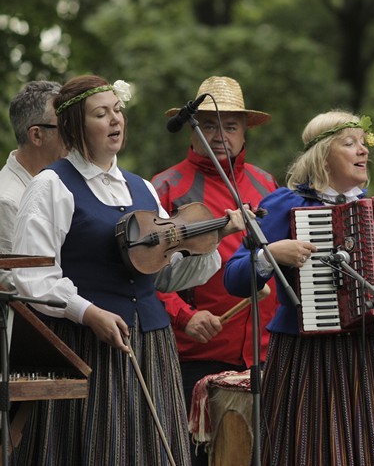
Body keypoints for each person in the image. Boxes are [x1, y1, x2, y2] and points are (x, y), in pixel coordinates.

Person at [10, 75, 245, 465]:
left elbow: (164, 276)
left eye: (118, 110)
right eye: (101, 113)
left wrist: (212, 238)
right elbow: (31, 275)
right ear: (74, 125)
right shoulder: (51, 186)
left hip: (151, 344)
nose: (115, 120)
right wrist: (87, 312)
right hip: (86, 345)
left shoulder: (141, 189)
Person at [224, 110, 374, 465]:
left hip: (369, 356)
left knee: (372, 452)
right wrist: (270, 255)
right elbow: (234, 277)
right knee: (307, 452)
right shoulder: (285, 204)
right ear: (321, 155)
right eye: (349, 143)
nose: (362, 151)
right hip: (307, 358)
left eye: (363, 144)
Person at [152, 76, 280, 466]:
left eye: (230, 125)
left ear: (244, 132)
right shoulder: (164, 186)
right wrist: (185, 316)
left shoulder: (266, 184)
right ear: (192, 131)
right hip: (197, 355)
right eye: (208, 124)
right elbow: (145, 274)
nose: (220, 134)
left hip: (264, 355)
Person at [0, 80, 65, 289]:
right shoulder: (7, 201)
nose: (75, 136)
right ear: (37, 135)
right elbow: (17, 283)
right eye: (66, 127)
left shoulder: (62, 180)